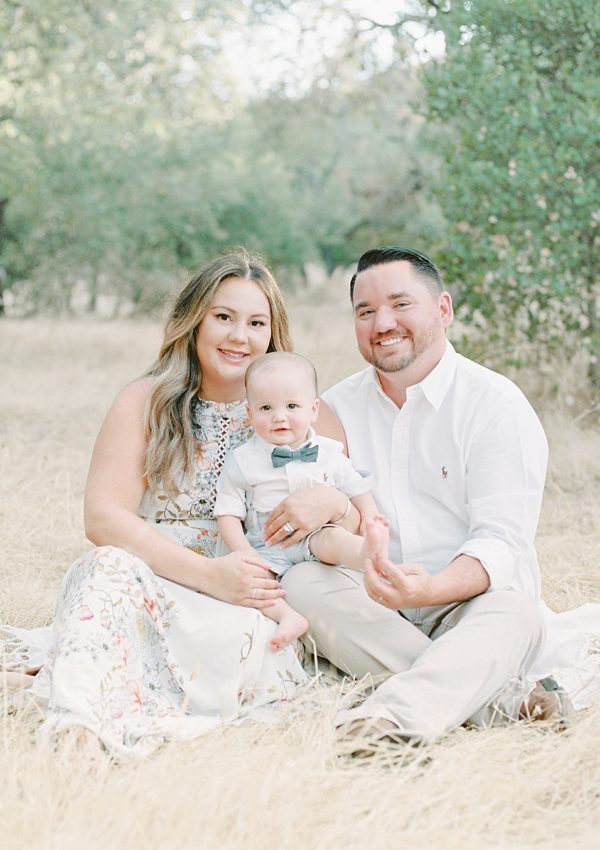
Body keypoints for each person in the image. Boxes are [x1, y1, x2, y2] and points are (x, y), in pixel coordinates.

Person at [1, 250, 330, 760]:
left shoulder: (297, 408)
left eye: (256, 322)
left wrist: (331, 500)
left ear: (273, 332)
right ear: (194, 320)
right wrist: (205, 573)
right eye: (223, 317)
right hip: (151, 578)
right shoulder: (145, 399)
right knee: (104, 567)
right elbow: (103, 517)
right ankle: (78, 732)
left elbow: (344, 503)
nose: (239, 336)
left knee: (252, 643)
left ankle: (62, 683)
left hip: (243, 595)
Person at [277, 245, 574, 749]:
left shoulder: (495, 405)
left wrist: (430, 589)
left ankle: (387, 723)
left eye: (400, 304)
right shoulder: (334, 410)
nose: (382, 323)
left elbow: (501, 543)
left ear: (443, 309)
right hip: (376, 607)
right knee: (303, 582)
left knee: (517, 612)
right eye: (365, 311)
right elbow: (324, 532)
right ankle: (501, 702)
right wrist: (338, 518)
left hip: (471, 606)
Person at [215, 350, 388, 651]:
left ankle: (367, 554)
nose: (279, 416)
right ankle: (288, 617)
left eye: (292, 406)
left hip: (316, 535)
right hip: (267, 545)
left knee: (332, 539)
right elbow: (227, 512)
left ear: (314, 410)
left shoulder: (329, 452)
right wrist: (244, 553)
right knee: (253, 584)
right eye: (266, 407)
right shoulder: (243, 461)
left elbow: (356, 486)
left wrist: (371, 517)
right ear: (250, 413)